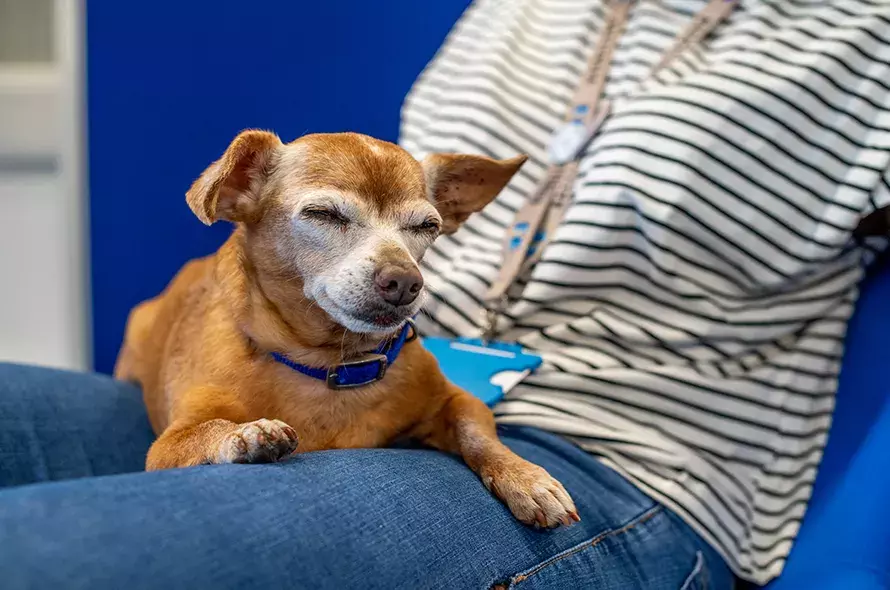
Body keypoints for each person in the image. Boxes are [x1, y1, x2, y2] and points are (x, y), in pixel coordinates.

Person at [1, 1, 888, 588]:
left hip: (615, 452)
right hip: (337, 361)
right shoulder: (516, 10)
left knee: (39, 553)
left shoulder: (863, 34)